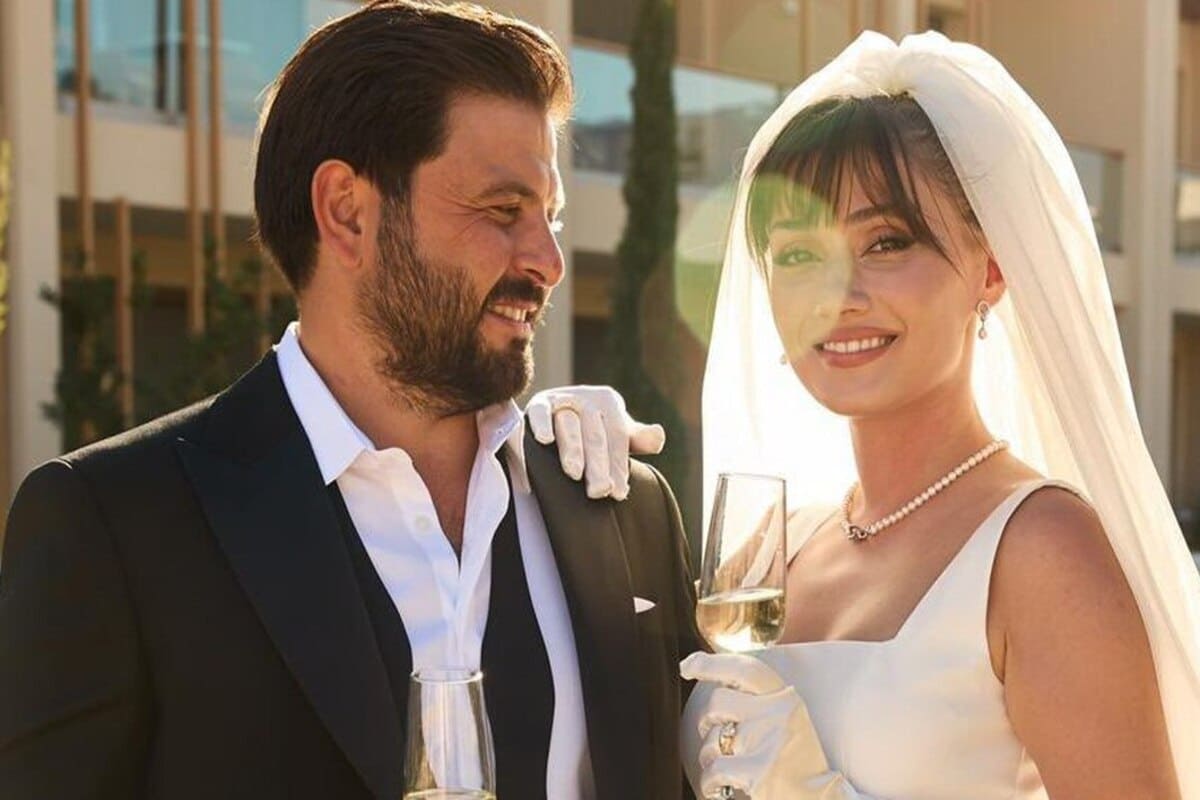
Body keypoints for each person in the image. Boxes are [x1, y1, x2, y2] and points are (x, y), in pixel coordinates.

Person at [0, 3, 702, 798]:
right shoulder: (116, 523)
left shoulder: (625, 512)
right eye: (503, 210)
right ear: (347, 212)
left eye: (551, 217)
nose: (548, 259)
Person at [530, 31, 1200, 799]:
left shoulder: (1042, 550)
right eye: (798, 255)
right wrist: (541, 460)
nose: (837, 295)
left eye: (886, 242)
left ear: (990, 270)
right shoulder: (774, 549)